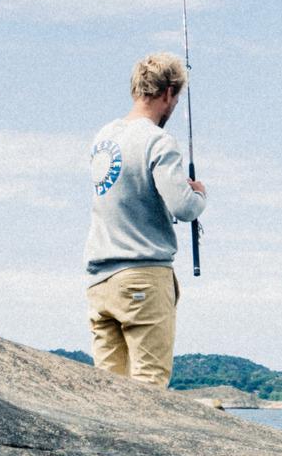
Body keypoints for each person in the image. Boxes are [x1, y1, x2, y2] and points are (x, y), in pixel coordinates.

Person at [84, 51, 208, 387]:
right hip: (142, 278)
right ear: (168, 92)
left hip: (99, 282)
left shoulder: (103, 139)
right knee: (149, 387)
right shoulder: (158, 140)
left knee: (108, 389)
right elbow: (183, 207)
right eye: (176, 97)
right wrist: (199, 195)